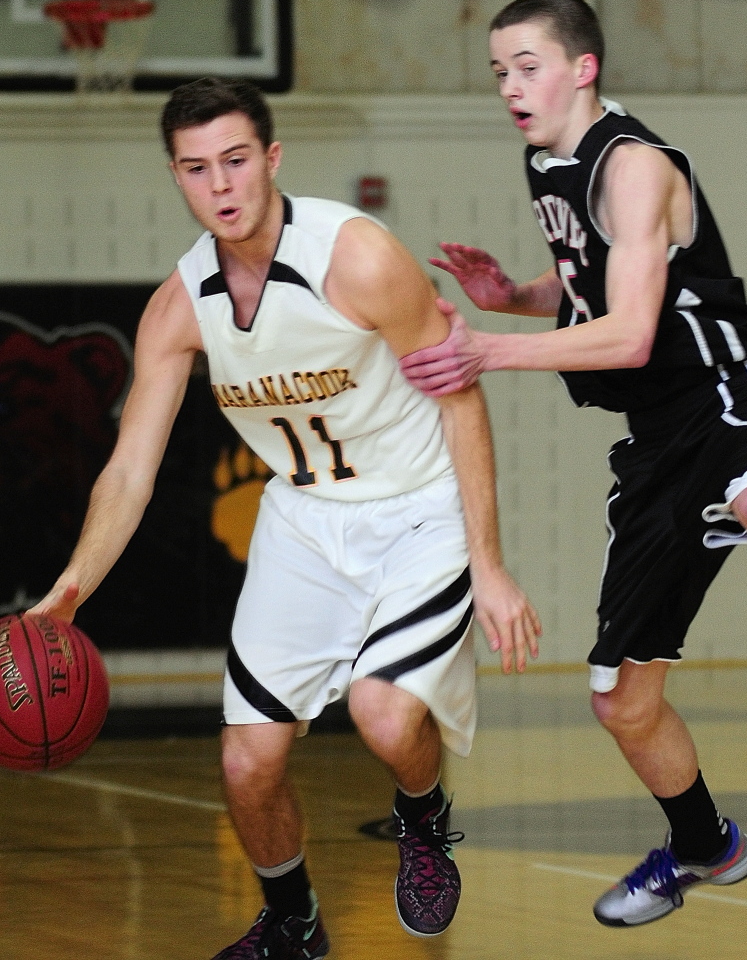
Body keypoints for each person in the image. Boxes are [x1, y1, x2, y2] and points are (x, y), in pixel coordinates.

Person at [30, 77, 540, 959]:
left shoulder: (359, 257)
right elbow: (128, 473)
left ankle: (423, 817)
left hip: (417, 510)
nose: (219, 185)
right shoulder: (177, 307)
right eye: (196, 169)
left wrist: (488, 564)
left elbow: (458, 397)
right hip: (303, 522)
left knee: (384, 717)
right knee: (246, 762)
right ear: (176, 178)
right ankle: (292, 922)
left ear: (270, 160)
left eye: (234, 161)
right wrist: (67, 591)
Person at [400, 0, 747, 928]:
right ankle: (704, 845)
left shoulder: (632, 165)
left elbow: (634, 334)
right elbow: (598, 297)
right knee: (621, 705)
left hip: (726, 395)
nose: (510, 86)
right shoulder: (546, 162)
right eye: (498, 72)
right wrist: (514, 294)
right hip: (652, 449)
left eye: (526, 66)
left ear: (581, 67)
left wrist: (485, 345)